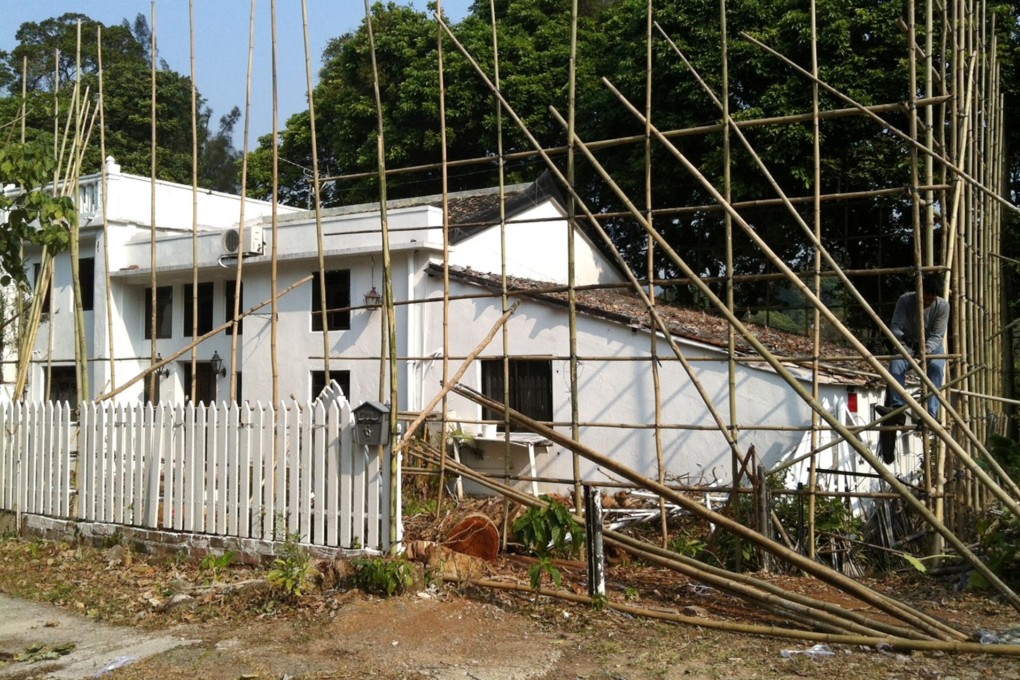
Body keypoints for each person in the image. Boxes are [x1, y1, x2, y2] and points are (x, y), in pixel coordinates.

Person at [878, 272, 950, 425]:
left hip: (932, 347)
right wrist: (906, 340)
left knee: (937, 368)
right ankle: (897, 408)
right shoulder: (905, 300)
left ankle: (930, 414)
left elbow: (937, 335)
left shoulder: (942, 306)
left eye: (931, 299)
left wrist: (925, 351)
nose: (928, 301)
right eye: (925, 297)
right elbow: (895, 327)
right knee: (896, 365)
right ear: (919, 290)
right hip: (907, 345)